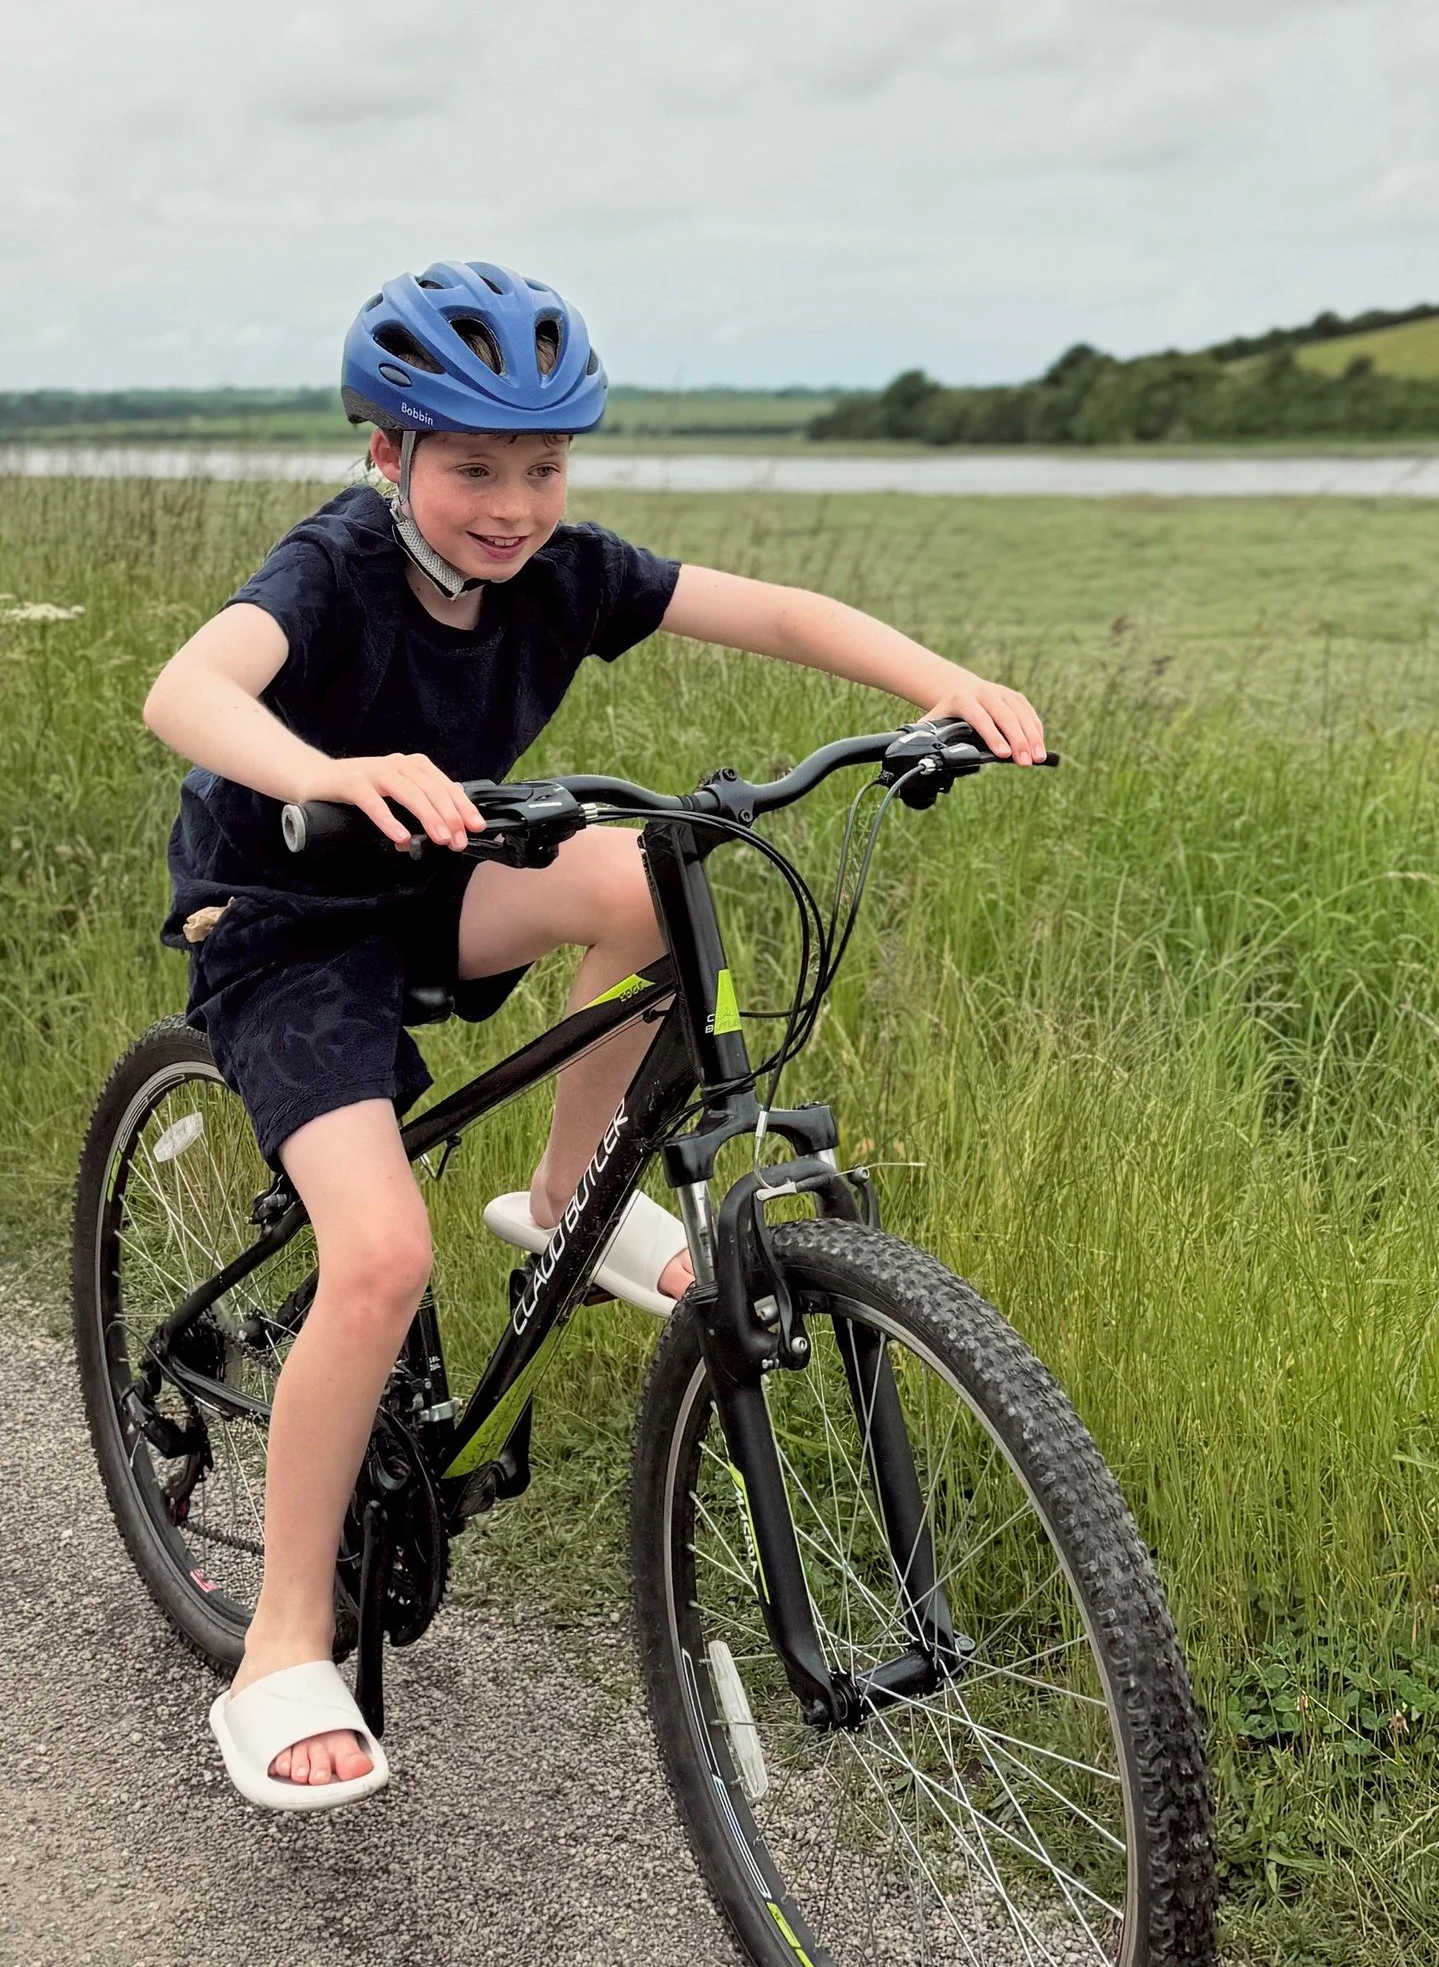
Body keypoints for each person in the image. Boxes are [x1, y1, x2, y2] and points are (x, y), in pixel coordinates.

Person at [145, 258, 1046, 1810]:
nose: (513, 507)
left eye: (544, 469)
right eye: (473, 469)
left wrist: (941, 681)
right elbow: (191, 688)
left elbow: (765, 609)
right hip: (286, 919)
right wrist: (330, 770)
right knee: (379, 1257)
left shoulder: (562, 571)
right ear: (388, 455)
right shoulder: (334, 566)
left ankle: (568, 1198)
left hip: (440, 881)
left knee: (646, 875)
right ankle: (281, 1641)